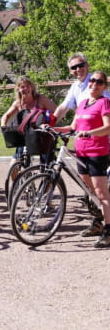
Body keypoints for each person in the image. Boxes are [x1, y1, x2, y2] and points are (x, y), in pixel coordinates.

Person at [46, 70, 110, 248]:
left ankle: (108, 230)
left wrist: (89, 133)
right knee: (90, 192)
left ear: (104, 86)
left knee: (101, 192)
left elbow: (107, 127)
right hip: (81, 152)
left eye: (99, 82)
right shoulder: (82, 104)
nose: (94, 85)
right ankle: (98, 223)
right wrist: (53, 128)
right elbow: (73, 127)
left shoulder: (104, 102)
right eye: (92, 81)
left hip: (97, 151)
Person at [0, 76, 57, 172]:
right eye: (22, 87)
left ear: (32, 87)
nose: (25, 89)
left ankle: (45, 184)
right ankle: (22, 185)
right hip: (24, 138)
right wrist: (3, 126)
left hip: (42, 137)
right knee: (12, 168)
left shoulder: (41, 99)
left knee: (46, 170)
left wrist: (49, 124)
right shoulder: (18, 104)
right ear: (18, 89)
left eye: (28, 86)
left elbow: (56, 111)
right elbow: (5, 116)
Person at [53, 52, 110, 123]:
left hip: (99, 130)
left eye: (80, 65)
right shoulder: (75, 86)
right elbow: (63, 107)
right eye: (74, 67)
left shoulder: (96, 82)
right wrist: (50, 124)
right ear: (70, 71)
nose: (78, 69)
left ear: (87, 65)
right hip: (85, 129)